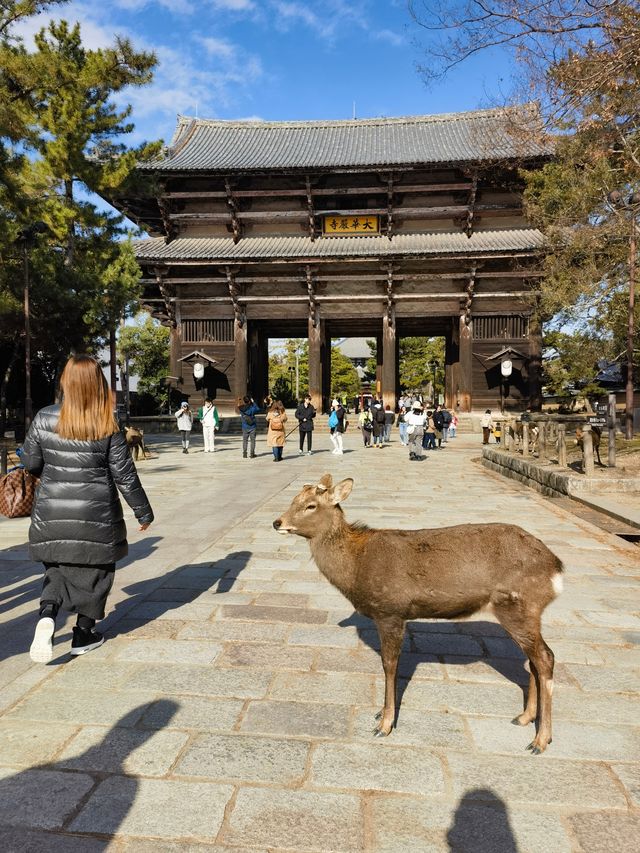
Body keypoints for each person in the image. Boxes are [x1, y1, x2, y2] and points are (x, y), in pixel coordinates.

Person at [22, 355, 153, 662]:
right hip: (97, 516)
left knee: (56, 571)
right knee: (97, 573)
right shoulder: (107, 424)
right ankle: (83, 634)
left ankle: (46, 617)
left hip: (52, 515)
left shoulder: (44, 417)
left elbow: (30, 463)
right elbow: (125, 475)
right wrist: (143, 512)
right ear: (99, 383)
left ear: (65, 381)